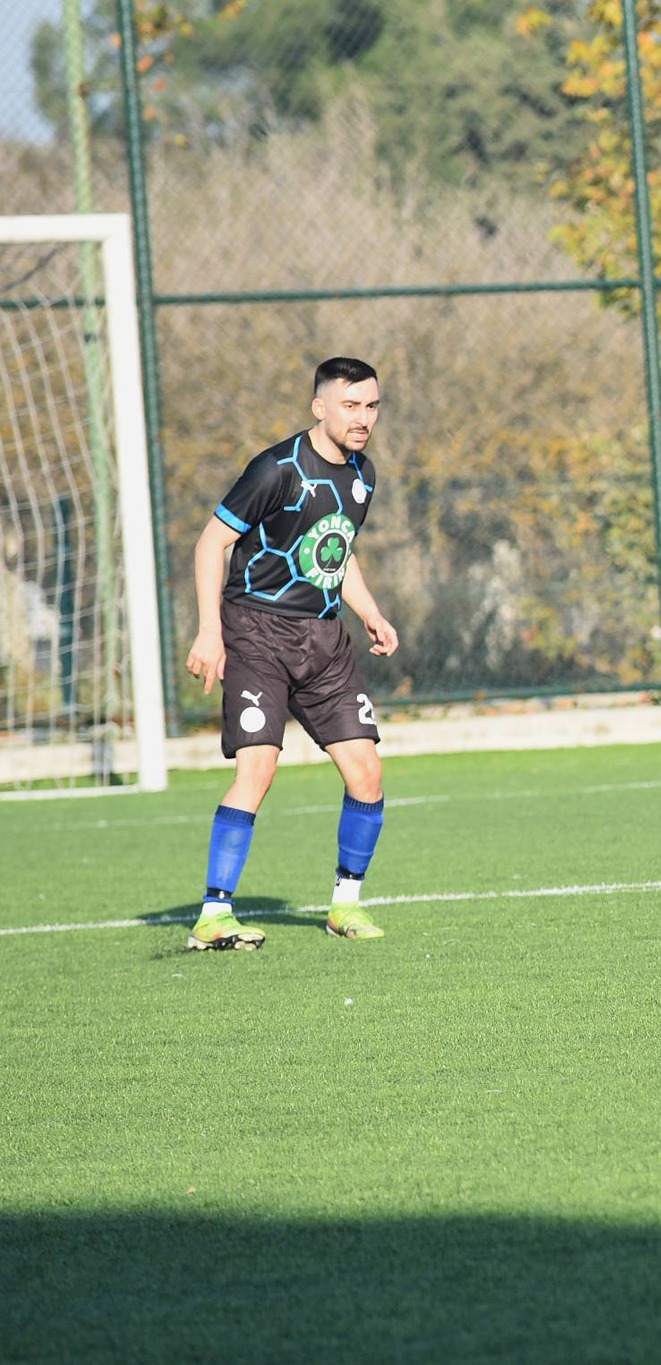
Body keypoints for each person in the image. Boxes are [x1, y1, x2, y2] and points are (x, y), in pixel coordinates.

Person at [183, 356, 398, 949]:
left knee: (367, 773)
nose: (362, 418)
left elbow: (337, 549)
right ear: (319, 407)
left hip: (324, 641)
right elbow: (211, 543)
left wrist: (370, 611)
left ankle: (345, 906)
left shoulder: (363, 475)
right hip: (257, 633)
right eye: (350, 406)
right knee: (258, 769)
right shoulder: (276, 469)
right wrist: (210, 631)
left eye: (371, 406)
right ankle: (214, 914)